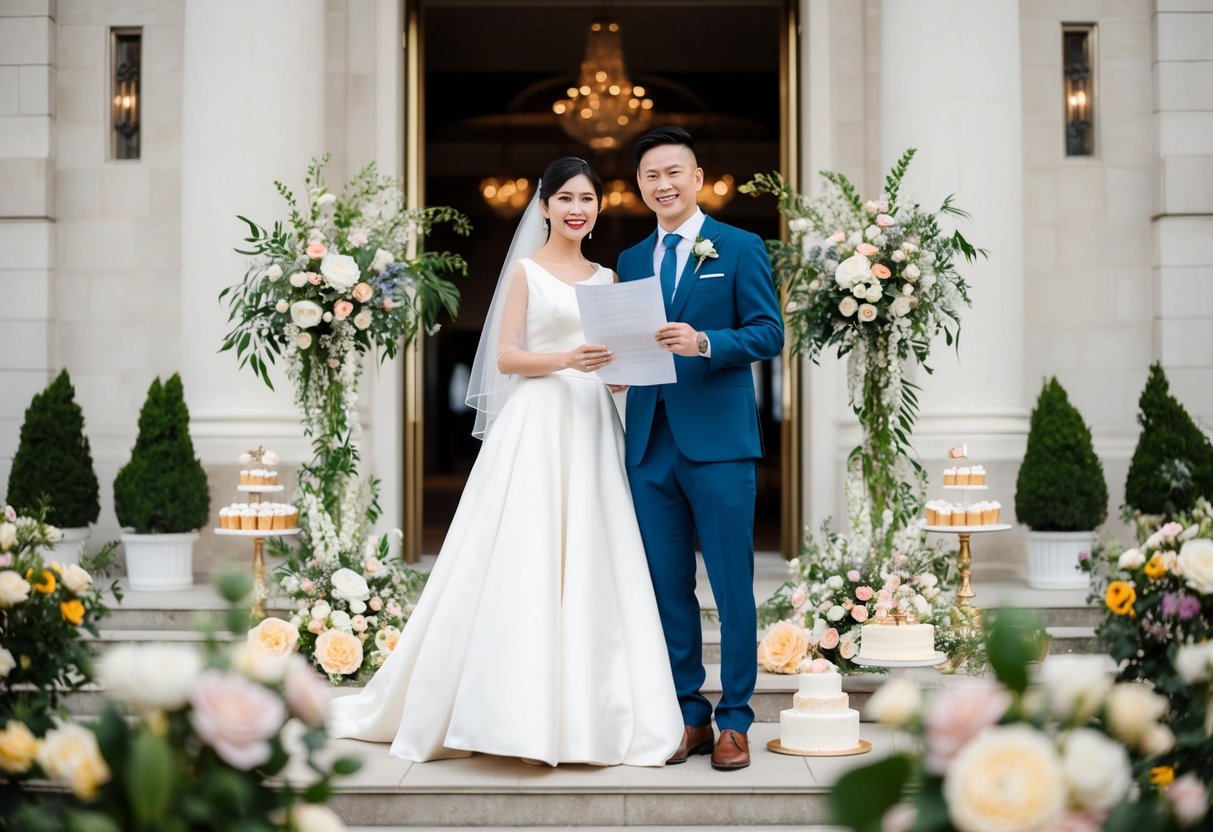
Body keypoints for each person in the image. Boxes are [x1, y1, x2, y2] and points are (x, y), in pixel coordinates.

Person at [328, 157, 683, 767]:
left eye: (588, 200)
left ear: (599, 210)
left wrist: (624, 373)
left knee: (594, 552)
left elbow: (617, 363)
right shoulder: (525, 271)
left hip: (594, 422)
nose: (578, 209)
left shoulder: (608, 279)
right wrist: (567, 360)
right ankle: (507, 711)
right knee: (525, 553)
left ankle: (592, 713)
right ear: (544, 205)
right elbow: (508, 357)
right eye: (566, 198)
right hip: (537, 422)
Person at [616, 126, 784, 771]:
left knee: (732, 586)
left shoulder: (739, 247)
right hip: (650, 444)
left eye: (674, 173)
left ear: (697, 177)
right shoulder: (629, 261)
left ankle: (736, 718)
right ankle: (688, 711)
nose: (664, 184)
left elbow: (768, 332)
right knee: (667, 588)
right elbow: (630, 339)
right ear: (640, 187)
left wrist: (707, 343)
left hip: (718, 445)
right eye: (651, 176)